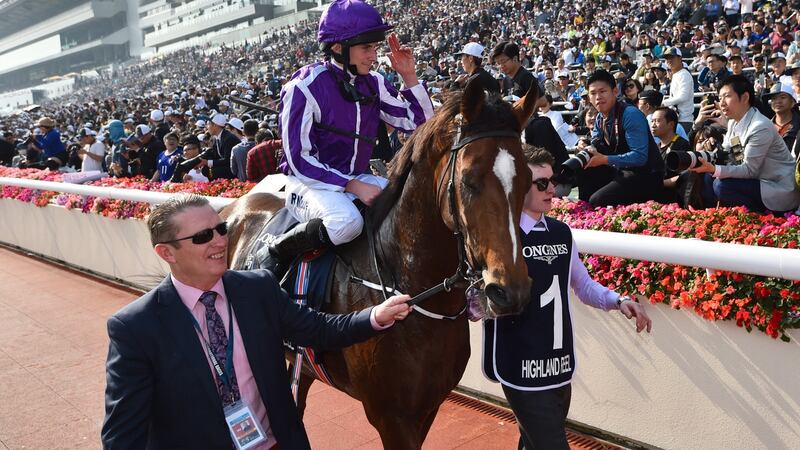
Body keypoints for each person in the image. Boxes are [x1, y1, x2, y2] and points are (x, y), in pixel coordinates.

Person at [101, 194, 411, 449]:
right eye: (203, 236)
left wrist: (374, 316)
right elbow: (123, 435)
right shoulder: (134, 328)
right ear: (166, 252)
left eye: (221, 228)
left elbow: (318, 329)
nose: (221, 241)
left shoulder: (258, 288)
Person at [482, 146, 652, 450]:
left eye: (552, 180)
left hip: (558, 365)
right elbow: (477, 297)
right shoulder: (500, 238)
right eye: (541, 183)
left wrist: (618, 300)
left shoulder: (561, 233)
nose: (552, 189)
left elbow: (582, 285)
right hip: (520, 365)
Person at [274, 0, 433, 275]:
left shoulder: (375, 81)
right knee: (347, 222)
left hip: (355, 178)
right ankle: (279, 252)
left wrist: (409, 77)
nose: (373, 56)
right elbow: (298, 160)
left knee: (413, 208)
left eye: (374, 47)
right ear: (338, 47)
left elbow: (420, 124)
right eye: (366, 48)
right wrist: (351, 186)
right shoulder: (303, 87)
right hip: (307, 183)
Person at [691, 75, 800, 213]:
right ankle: (714, 218)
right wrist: (705, 156)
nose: (722, 103)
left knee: (722, 184)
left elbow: (749, 170)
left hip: (778, 188)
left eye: (727, 96)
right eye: (720, 98)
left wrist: (714, 169)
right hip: (758, 181)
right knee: (707, 175)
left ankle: (761, 219)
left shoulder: (760, 126)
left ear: (744, 97)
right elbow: (733, 155)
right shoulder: (733, 123)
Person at [580, 70, 665, 206]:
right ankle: (581, 216)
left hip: (646, 175)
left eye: (602, 91)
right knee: (584, 171)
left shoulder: (630, 114)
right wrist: (584, 144)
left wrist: (605, 159)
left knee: (598, 200)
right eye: (593, 93)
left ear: (615, 91)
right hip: (622, 169)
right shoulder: (599, 118)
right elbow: (596, 142)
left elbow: (639, 157)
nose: (598, 97)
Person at [661, 47, 695, 133]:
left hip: (684, 121)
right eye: (667, 58)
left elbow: (683, 96)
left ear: (680, 58)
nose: (669, 60)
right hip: (677, 120)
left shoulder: (684, 74)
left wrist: (664, 103)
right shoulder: (676, 75)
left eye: (672, 57)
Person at [764, 82, 799, 152]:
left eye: (783, 97)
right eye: (774, 98)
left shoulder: (798, 126)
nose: (778, 101)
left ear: (793, 102)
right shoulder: (764, 127)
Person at [202, 113, 239, 180]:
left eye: (208, 124)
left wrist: (208, 162)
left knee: (214, 171)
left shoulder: (228, 138)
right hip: (225, 166)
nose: (207, 127)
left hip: (233, 170)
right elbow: (214, 154)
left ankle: (219, 187)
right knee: (205, 169)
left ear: (215, 125)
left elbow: (227, 160)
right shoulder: (218, 137)